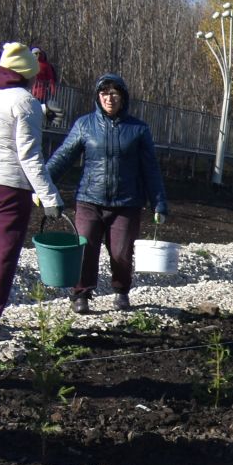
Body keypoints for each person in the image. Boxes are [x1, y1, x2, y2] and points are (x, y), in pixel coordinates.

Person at [0, 41, 65, 340]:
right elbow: (30, 157)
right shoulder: (25, 101)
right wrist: (50, 197)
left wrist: (41, 111)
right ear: (27, 75)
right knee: (5, 252)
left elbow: (0, 116)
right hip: (6, 185)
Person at [45, 73, 169, 314]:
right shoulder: (84, 125)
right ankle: (81, 293)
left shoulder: (138, 130)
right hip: (89, 200)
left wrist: (159, 203)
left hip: (126, 203)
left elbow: (150, 169)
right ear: (97, 97)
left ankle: (121, 291)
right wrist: (42, 183)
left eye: (114, 93)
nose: (109, 98)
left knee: (121, 252)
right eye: (104, 93)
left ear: (123, 97)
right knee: (85, 248)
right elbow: (63, 157)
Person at [30, 47, 60, 122]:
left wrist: (52, 89)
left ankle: (43, 123)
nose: (38, 55)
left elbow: (51, 78)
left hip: (42, 92)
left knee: (41, 107)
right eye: (36, 53)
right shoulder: (29, 63)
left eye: (39, 53)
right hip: (31, 91)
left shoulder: (46, 65)